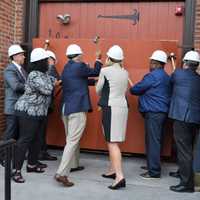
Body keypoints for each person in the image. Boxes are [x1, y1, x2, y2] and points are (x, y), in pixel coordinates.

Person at [55, 44, 102, 187]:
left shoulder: (67, 68)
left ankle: (73, 165)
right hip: (77, 108)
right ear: (79, 55)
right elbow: (95, 71)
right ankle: (62, 173)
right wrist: (98, 59)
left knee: (71, 139)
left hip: (66, 108)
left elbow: (79, 80)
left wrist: (93, 82)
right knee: (72, 141)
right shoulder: (80, 66)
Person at [12, 48, 56, 183]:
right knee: (25, 140)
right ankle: (16, 171)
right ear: (41, 62)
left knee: (37, 139)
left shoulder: (43, 74)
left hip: (39, 112)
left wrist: (52, 80)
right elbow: (48, 89)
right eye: (47, 60)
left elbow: (54, 80)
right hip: (27, 111)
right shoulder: (34, 75)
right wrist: (52, 82)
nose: (49, 62)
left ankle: (31, 165)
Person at [130, 50, 171, 179]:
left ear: (156, 63)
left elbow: (136, 89)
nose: (150, 64)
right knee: (156, 140)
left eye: (151, 62)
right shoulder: (166, 76)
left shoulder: (152, 76)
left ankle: (153, 171)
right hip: (161, 113)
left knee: (153, 141)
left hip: (153, 113)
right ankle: (152, 165)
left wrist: (132, 88)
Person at [96, 45, 129, 190]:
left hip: (111, 108)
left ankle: (119, 176)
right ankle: (113, 170)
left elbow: (98, 89)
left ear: (109, 57)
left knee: (111, 142)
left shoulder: (105, 70)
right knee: (114, 141)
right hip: (122, 107)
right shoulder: (125, 72)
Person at [169, 50, 200, 193]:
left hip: (181, 117)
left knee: (184, 150)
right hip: (194, 119)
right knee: (187, 149)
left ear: (185, 63)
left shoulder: (178, 74)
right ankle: (182, 172)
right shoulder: (198, 79)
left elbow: (171, 84)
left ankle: (187, 184)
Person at [0, 44, 26, 166]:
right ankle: (3, 157)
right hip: (12, 108)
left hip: (20, 107)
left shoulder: (22, 70)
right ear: (15, 56)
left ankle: (12, 155)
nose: (24, 57)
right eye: (21, 55)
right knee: (10, 133)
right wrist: (32, 87)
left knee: (16, 133)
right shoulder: (10, 70)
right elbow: (16, 86)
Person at [38, 50, 60, 161]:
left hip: (43, 105)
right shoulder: (50, 69)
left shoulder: (43, 70)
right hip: (44, 105)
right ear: (51, 59)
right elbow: (54, 83)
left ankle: (41, 152)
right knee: (41, 129)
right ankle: (41, 152)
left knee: (41, 129)